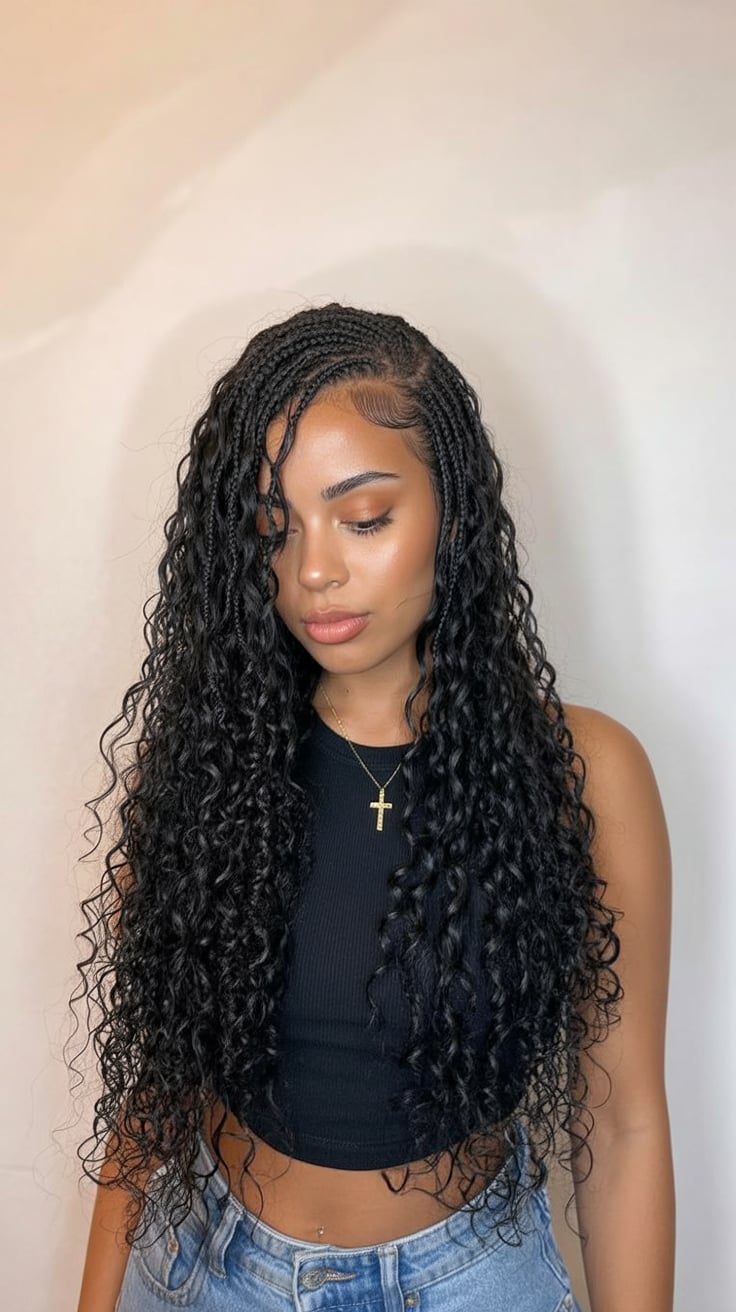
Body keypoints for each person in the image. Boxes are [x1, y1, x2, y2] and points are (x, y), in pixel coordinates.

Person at [73, 302, 674, 1311]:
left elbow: (621, 1126)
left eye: (363, 519)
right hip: (210, 1274)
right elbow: (155, 1089)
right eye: (275, 529)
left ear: (454, 512)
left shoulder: (584, 772)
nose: (313, 571)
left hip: (469, 1283)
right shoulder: (206, 768)